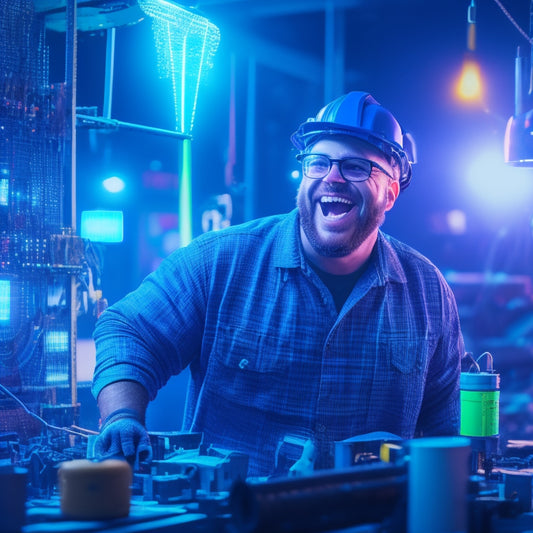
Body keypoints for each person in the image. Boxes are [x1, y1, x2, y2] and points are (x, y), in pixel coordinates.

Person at [91, 91, 464, 478]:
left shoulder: (428, 293)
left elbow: (447, 422)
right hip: (237, 519)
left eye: (356, 167)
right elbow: (129, 330)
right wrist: (120, 418)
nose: (332, 178)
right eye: (318, 163)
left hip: (368, 518)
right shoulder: (222, 261)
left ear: (390, 192)